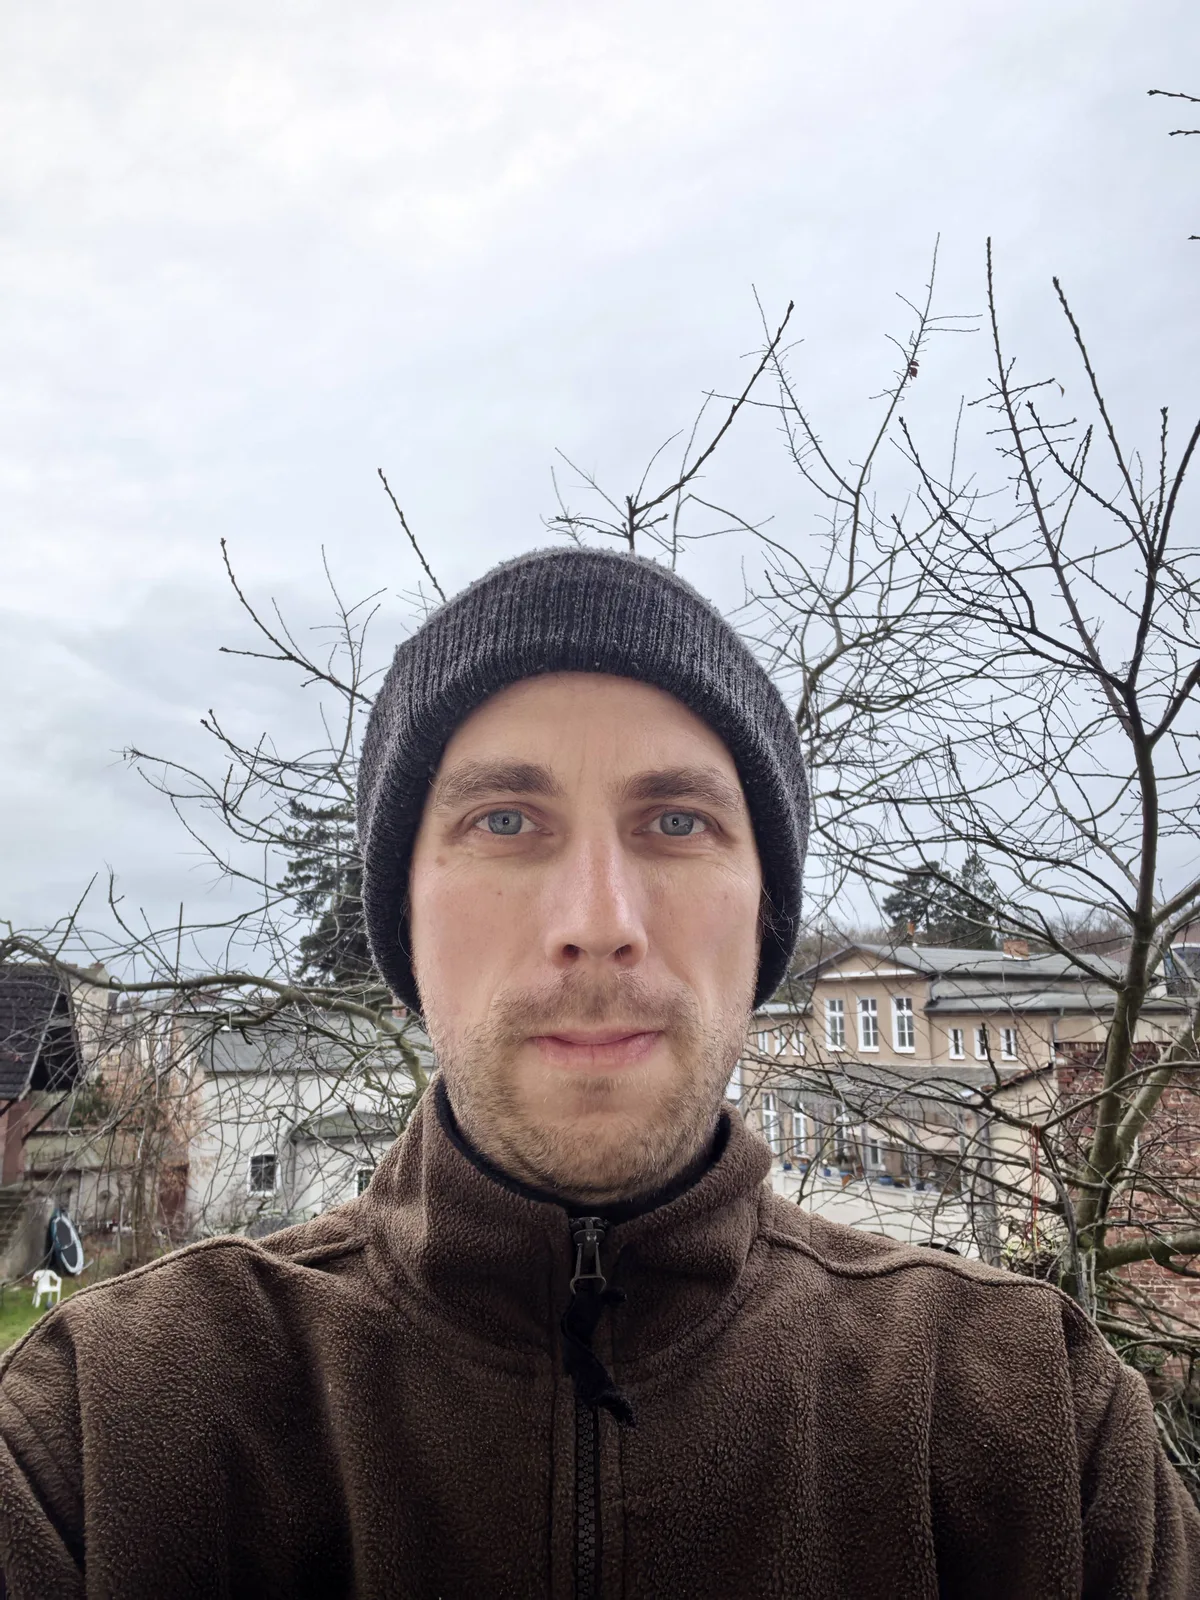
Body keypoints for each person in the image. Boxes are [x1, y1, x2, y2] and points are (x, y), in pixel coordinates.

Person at [1, 547, 1197, 1599]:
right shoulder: (106, 1433)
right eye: (504, 822)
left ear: (765, 914)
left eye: (675, 822)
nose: (597, 921)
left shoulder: (1035, 1426)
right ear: (402, 919)